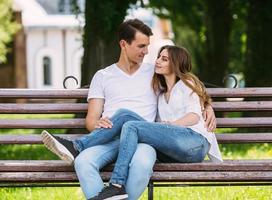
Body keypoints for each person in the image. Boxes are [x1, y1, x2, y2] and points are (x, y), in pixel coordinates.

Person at [41, 19, 217, 200]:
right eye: (141, 46)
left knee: (141, 161)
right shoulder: (102, 76)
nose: (147, 52)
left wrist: (206, 105)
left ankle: (78, 148)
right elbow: (91, 121)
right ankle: (83, 155)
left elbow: (184, 84)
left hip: (144, 140)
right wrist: (97, 123)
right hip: (110, 138)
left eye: (148, 46)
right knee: (83, 162)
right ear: (123, 44)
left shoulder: (154, 73)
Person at [92, 45, 223, 199]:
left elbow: (194, 115)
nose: (158, 61)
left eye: (164, 59)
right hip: (174, 150)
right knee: (124, 115)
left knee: (131, 126)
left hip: (194, 144)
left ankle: (116, 184)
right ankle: (78, 146)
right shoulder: (160, 94)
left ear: (176, 63)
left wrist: (172, 124)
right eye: (159, 57)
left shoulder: (187, 82)